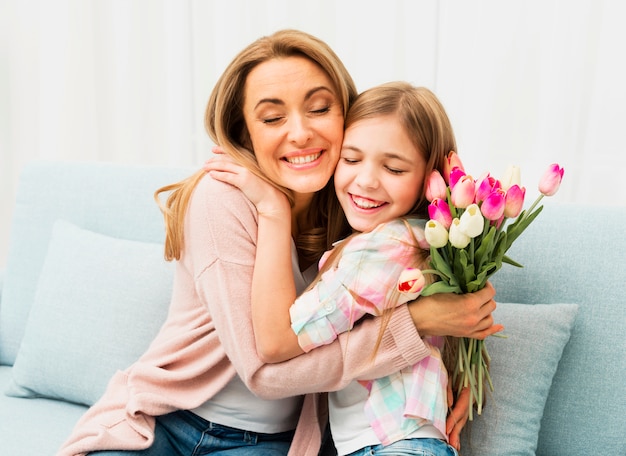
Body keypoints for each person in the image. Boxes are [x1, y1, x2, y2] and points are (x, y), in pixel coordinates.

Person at [58, 30, 501, 456]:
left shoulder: (356, 200)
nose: (301, 133)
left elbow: (431, 253)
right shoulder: (224, 197)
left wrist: (455, 376)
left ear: (347, 115)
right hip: (167, 424)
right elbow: (264, 371)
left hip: (272, 443)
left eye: (320, 109)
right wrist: (415, 323)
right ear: (245, 131)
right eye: (272, 118)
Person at [206, 82, 470, 456]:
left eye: (393, 168)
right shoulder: (430, 242)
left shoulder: (383, 248)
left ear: (434, 178)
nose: (366, 180)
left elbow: (276, 341)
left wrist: (271, 207)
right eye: (350, 159)